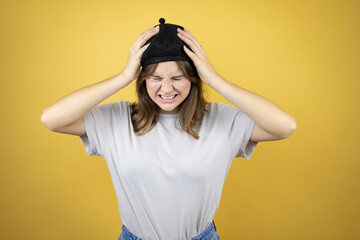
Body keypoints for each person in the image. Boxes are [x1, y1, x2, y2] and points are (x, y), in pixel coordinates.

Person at [41, 18, 296, 240]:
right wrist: (122, 77)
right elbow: (52, 119)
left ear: (194, 79)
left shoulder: (222, 120)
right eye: (155, 78)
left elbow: (284, 126)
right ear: (142, 80)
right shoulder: (116, 120)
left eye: (177, 78)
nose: (166, 89)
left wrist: (215, 79)